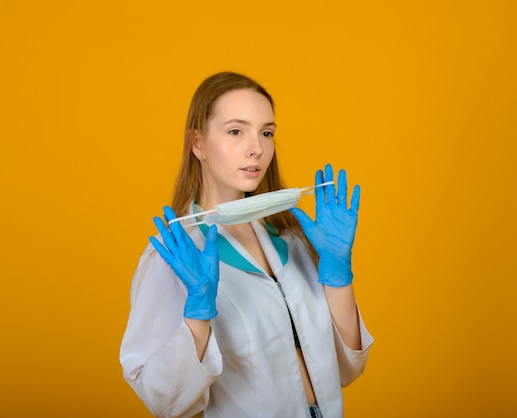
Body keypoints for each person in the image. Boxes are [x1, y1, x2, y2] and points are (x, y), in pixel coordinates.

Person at [119, 71, 373, 418]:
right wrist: (197, 317)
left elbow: (348, 369)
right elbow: (162, 401)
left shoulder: (292, 239)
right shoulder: (175, 257)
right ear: (198, 144)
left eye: (266, 132)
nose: (257, 148)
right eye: (236, 131)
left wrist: (338, 274)